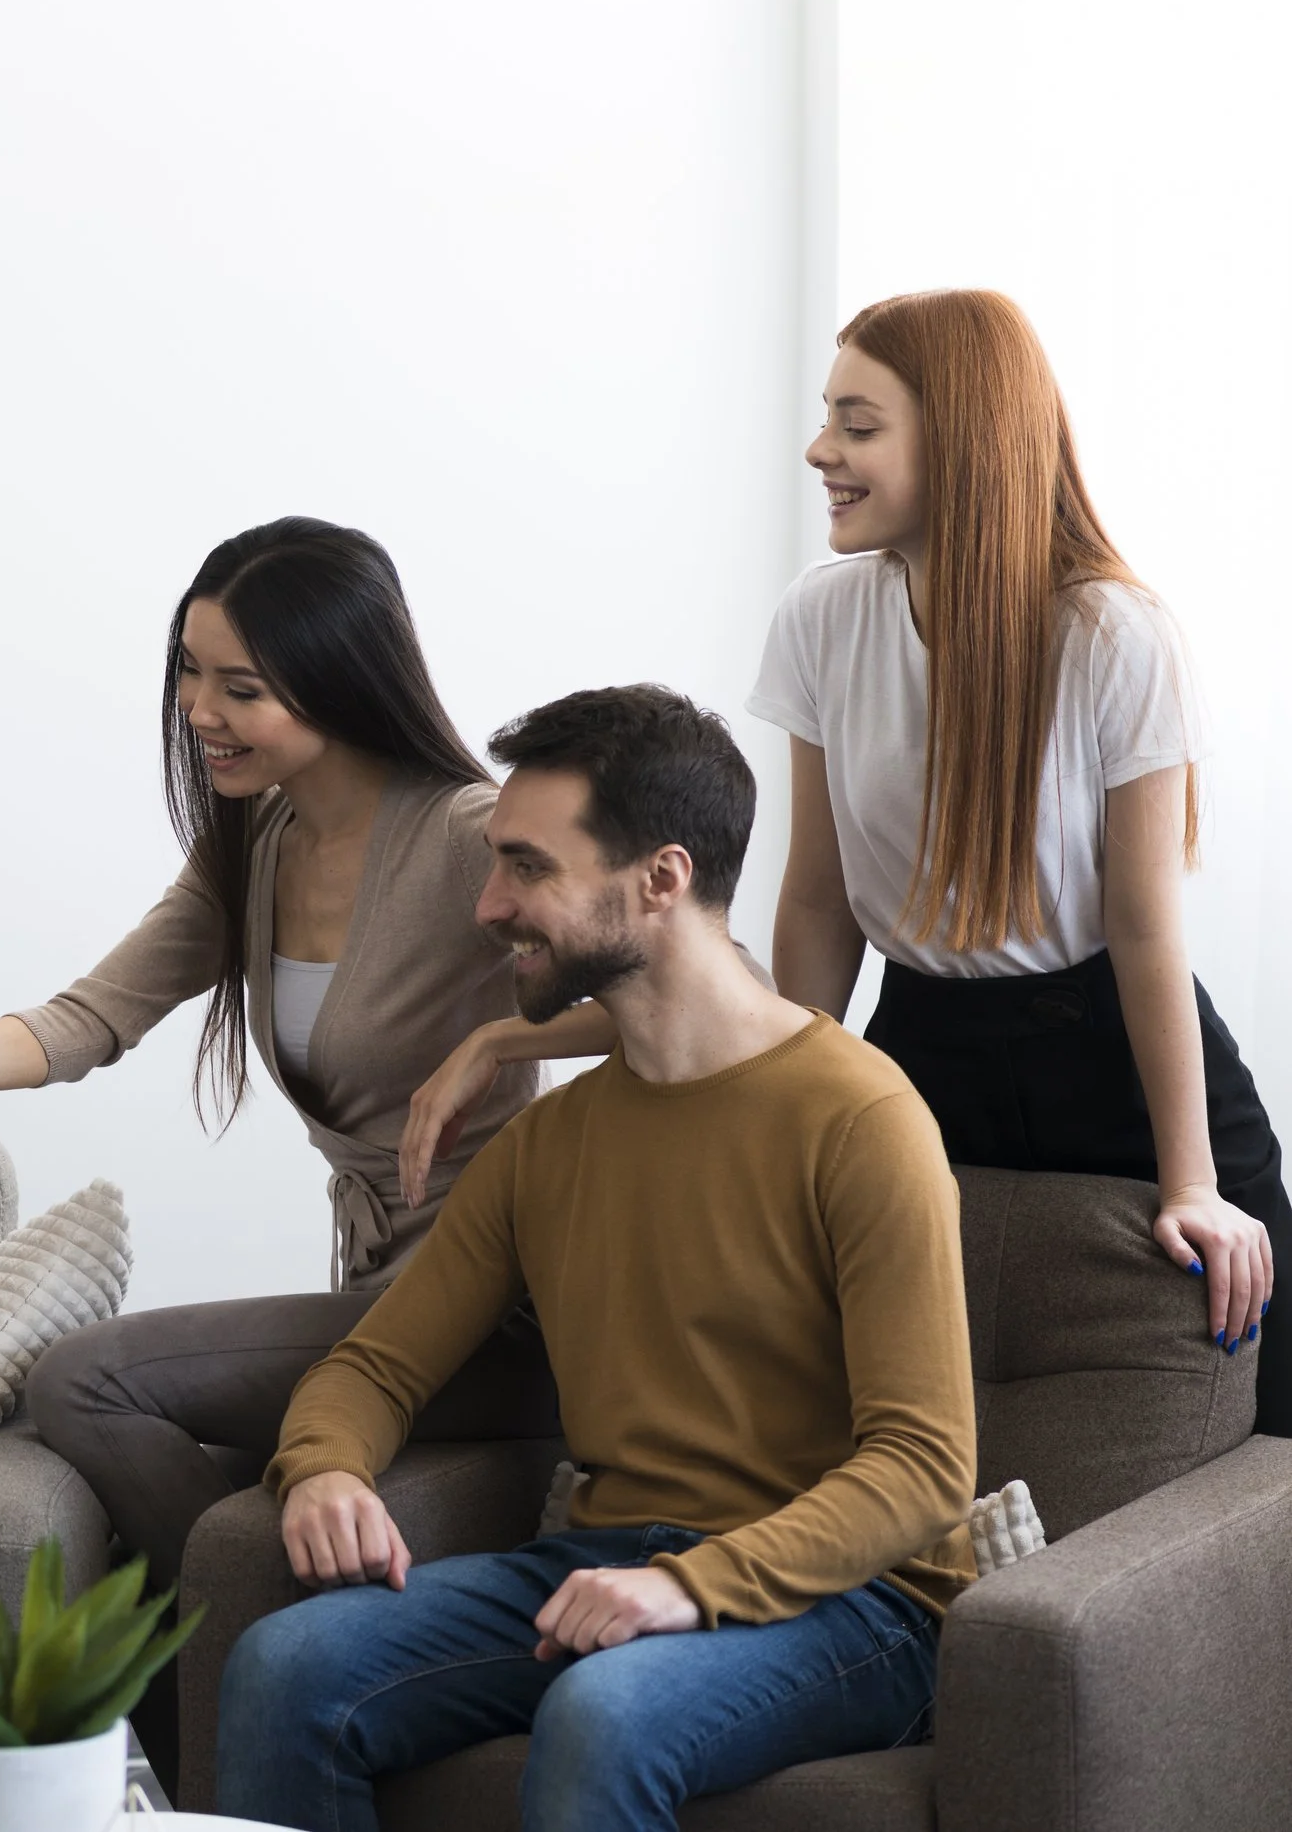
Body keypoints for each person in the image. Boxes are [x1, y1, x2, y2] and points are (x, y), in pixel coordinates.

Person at [0, 518, 595, 1602]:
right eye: (189, 670)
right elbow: (83, 1022)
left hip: (505, 1305)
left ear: (339, 682)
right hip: (384, 1296)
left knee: (86, 1381)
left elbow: (701, 980)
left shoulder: (467, 834)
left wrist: (505, 1038)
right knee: (111, 1403)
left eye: (240, 687)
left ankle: (237, 1624)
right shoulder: (255, 845)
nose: (197, 710)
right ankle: (241, 1639)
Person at [218, 686, 976, 1832]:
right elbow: (374, 1366)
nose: (488, 904)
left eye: (526, 867)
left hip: (856, 1602)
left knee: (603, 1711)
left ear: (660, 879)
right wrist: (325, 1467)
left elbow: (923, 1467)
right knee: (285, 1666)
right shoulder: (548, 1145)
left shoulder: (860, 1118)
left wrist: (689, 1585)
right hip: (607, 1556)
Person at [751, 289, 1281, 1428]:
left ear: (962, 438)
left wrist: (1191, 1179)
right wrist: (779, 1117)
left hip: (1110, 1046)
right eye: (827, 417)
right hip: (924, 1048)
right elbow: (820, 898)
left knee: (1269, 1370)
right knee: (872, 1386)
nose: (819, 450)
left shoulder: (1113, 633)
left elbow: (1144, 927)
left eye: (856, 423)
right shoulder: (819, 618)